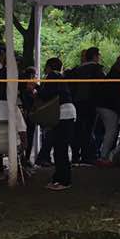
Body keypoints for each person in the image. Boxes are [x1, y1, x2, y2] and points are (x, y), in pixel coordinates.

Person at [37, 57, 75, 190]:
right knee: (60, 149)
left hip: (63, 114)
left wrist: (36, 87)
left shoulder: (53, 76)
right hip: (66, 113)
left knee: (60, 149)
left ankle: (64, 180)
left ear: (49, 67)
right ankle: (59, 178)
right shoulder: (61, 77)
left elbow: (47, 94)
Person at [65, 48, 106, 165]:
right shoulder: (97, 69)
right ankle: (87, 155)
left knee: (77, 129)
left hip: (76, 103)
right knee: (89, 129)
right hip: (91, 103)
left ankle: (75, 155)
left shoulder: (76, 70)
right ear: (95, 56)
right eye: (99, 55)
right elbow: (102, 87)